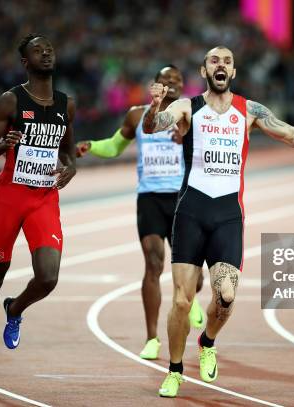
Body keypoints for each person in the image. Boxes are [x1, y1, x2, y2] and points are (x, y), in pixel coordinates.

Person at [143, 46, 294, 397]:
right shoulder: (187, 107)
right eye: (215, 60)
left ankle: (208, 341)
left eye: (227, 61)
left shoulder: (249, 111)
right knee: (182, 301)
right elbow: (154, 126)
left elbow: (292, 136)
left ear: (233, 72)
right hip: (191, 212)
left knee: (226, 297)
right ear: (204, 70)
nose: (221, 65)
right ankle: (175, 370)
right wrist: (153, 107)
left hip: (228, 215)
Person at [76, 65, 205, 361]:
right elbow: (114, 145)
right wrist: (91, 146)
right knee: (153, 263)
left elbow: (206, 150)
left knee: (194, 276)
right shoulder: (137, 115)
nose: (172, 82)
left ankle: (192, 298)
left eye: (177, 79)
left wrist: (186, 138)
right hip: (149, 198)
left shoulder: (191, 115)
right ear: (155, 84)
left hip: (182, 197)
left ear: (184, 85)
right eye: (166, 78)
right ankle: (151, 338)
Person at [0, 34, 76, 395]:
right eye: (37, 49)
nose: (46, 50)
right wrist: (2, 145)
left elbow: (67, 151)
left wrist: (71, 167)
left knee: (48, 277)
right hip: (9, 199)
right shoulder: (10, 100)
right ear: (25, 62)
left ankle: (14, 309)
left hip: (44, 199)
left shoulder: (66, 104)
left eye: (50, 46)